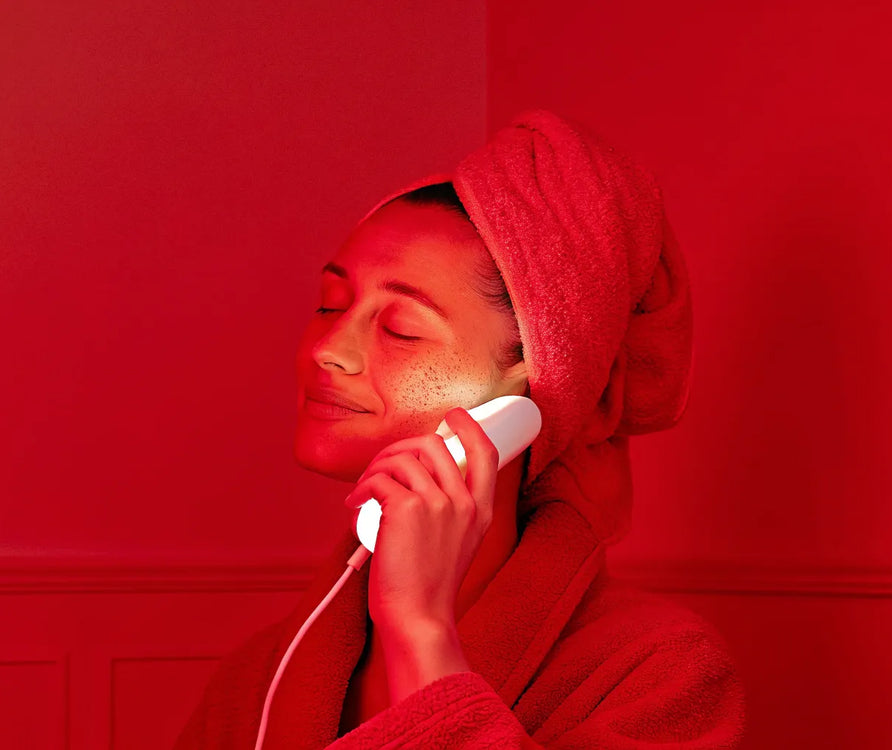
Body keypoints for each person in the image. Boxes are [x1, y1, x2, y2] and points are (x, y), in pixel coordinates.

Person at [173, 109, 747, 749]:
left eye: (401, 329)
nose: (328, 348)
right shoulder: (261, 677)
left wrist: (421, 632)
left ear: (532, 393)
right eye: (329, 306)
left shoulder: (656, 671)